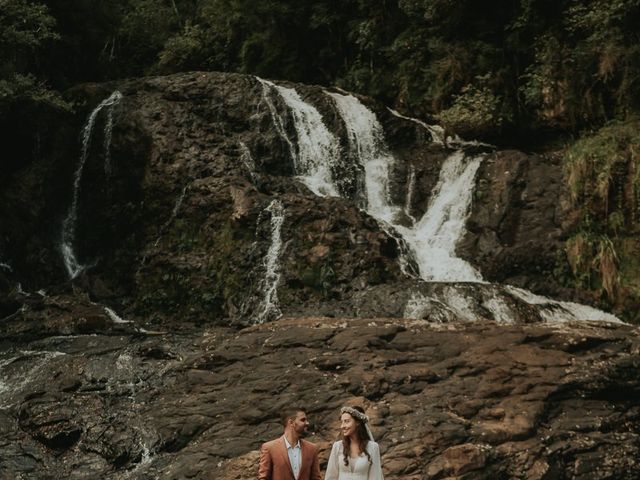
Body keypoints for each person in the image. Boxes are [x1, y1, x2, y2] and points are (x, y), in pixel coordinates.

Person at [258, 406, 322, 480]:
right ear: (291, 422)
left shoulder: (312, 449)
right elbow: (263, 478)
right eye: (303, 420)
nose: (307, 423)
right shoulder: (269, 448)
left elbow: (316, 478)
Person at [324, 406, 384, 480]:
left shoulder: (373, 447)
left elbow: (375, 477)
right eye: (342, 422)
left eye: (347, 421)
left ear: (358, 422)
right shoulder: (338, 446)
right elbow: (330, 477)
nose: (342, 426)